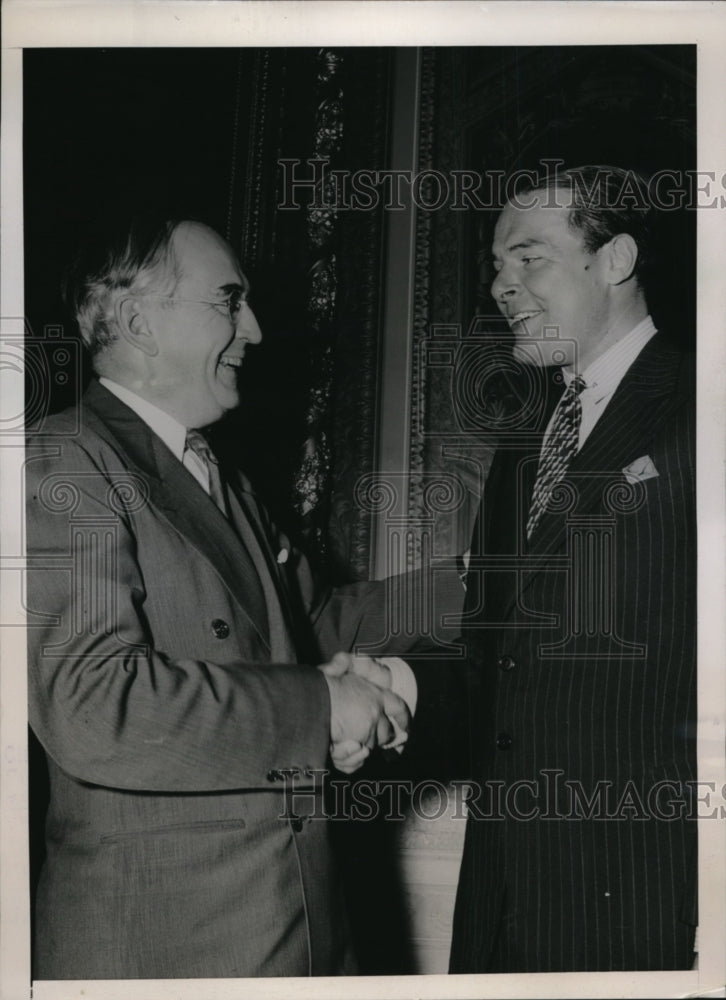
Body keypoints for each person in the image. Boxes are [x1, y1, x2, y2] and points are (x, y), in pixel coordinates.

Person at [25, 217, 425, 979]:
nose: (256, 330)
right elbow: (91, 704)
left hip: (295, 925)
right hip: (170, 945)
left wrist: (485, 578)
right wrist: (322, 707)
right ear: (139, 321)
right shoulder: (65, 458)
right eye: (229, 301)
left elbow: (313, 626)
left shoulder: (220, 477)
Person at [343, 164, 697, 971]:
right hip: (505, 896)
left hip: (647, 895)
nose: (502, 285)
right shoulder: (525, 443)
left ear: (616, 259)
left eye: (529, 257)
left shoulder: (703, 406)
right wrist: (395, 684)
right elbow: (494, 656)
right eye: (496, 265)